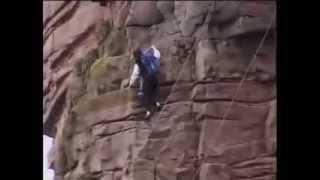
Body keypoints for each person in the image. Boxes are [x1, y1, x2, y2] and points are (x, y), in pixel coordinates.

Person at [128, 45, 161, 118]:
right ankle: (157, 103)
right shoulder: (149, 55)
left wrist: (131, 83)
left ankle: (148, 111)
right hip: (154, 76)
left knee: (146, 94)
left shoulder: (138, 63)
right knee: (155, 90)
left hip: (147, 79)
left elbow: (135, 74)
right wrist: (154, 48)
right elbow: (157, 55)